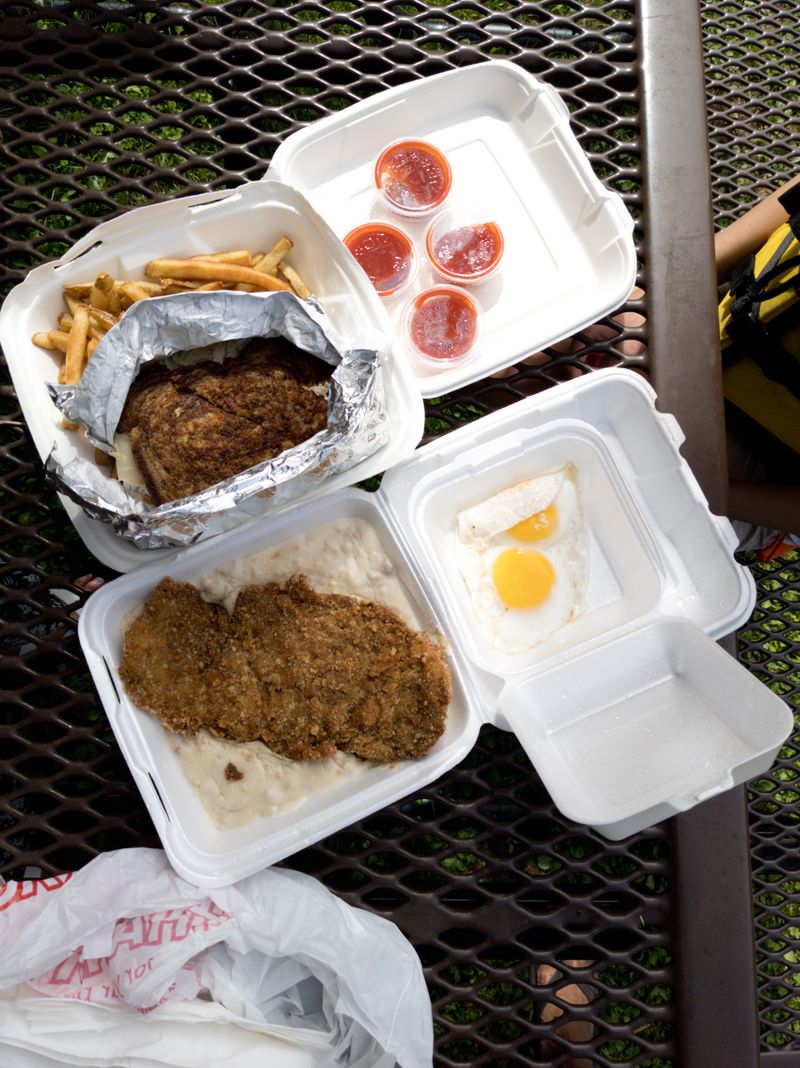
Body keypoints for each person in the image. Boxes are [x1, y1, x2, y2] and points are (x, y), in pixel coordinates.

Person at [714, 173, 800, 555]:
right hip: (720, 340)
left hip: (770, 474)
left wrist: (710, 489)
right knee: (586, 326)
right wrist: (670, 282)